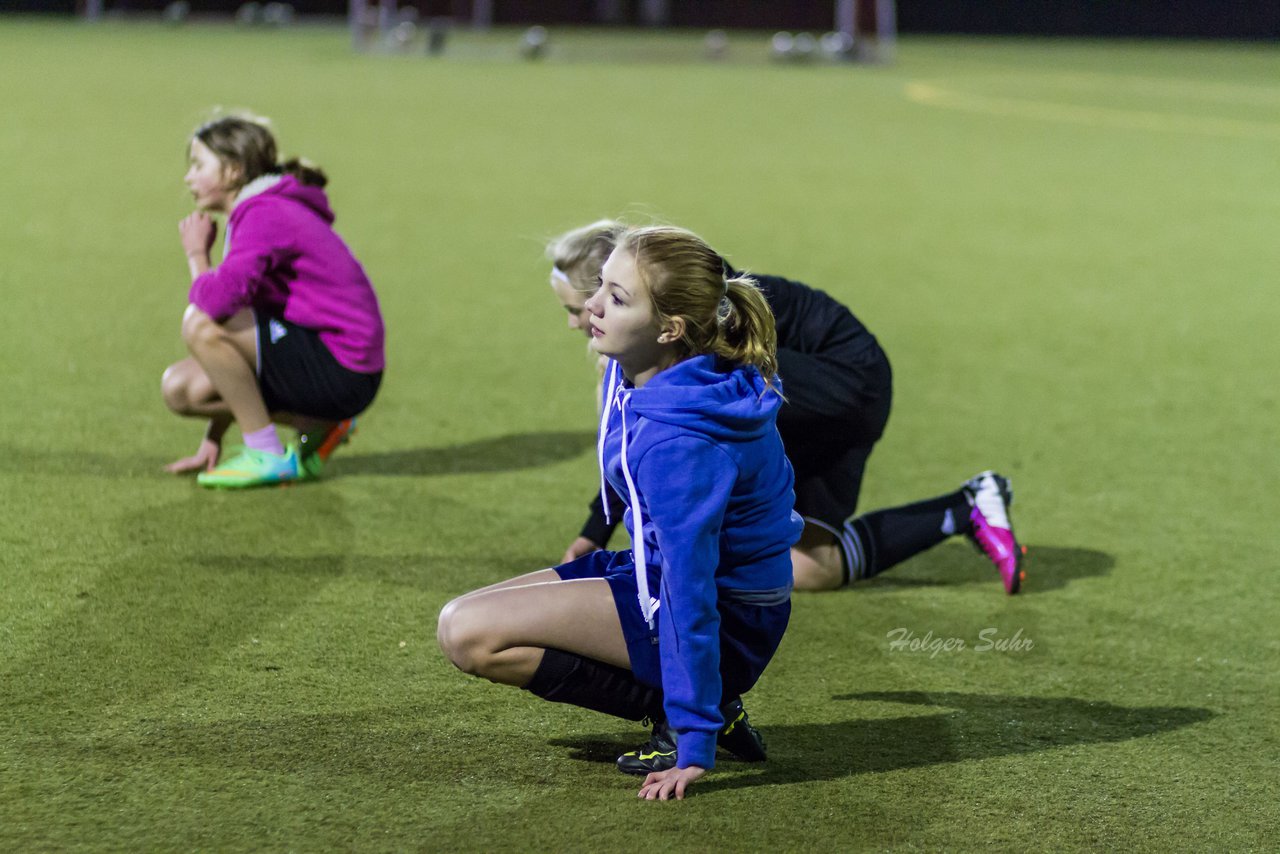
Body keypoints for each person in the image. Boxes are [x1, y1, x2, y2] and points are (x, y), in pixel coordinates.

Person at [438, 225, 803, 800]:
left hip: (726, 617)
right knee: (462, 617)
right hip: (653, 572)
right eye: (599, 287)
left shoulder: (677, 441)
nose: (591, 306)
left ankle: (696, 707)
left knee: (470, 637)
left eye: (616, 297)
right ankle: (701, 698)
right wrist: (593, 535)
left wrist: (693, 738)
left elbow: (691, 590)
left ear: (670, 329)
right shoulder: (661, 370)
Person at [546, 220, 1024, 596]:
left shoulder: (692, 327)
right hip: (806, 389)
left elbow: (653, 450)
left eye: (577, 307)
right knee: (813, 569)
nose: (577, 320)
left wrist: (603, 535)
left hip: (843, 384)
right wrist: (596, 532)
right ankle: (968, 506)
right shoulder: (658, 330)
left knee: (698, 450)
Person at [160, 113, 384, 488]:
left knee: (199, 324)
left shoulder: (264, 214)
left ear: (232, 171)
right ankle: (323, 426)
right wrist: (212, 439)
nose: (189, 177)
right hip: (324, 358)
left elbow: (215, 309)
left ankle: (265, 454)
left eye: (198, 165)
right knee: (182, 388)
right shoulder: (256, 210)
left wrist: (197, 254)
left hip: (344, 366)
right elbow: (237, 346)